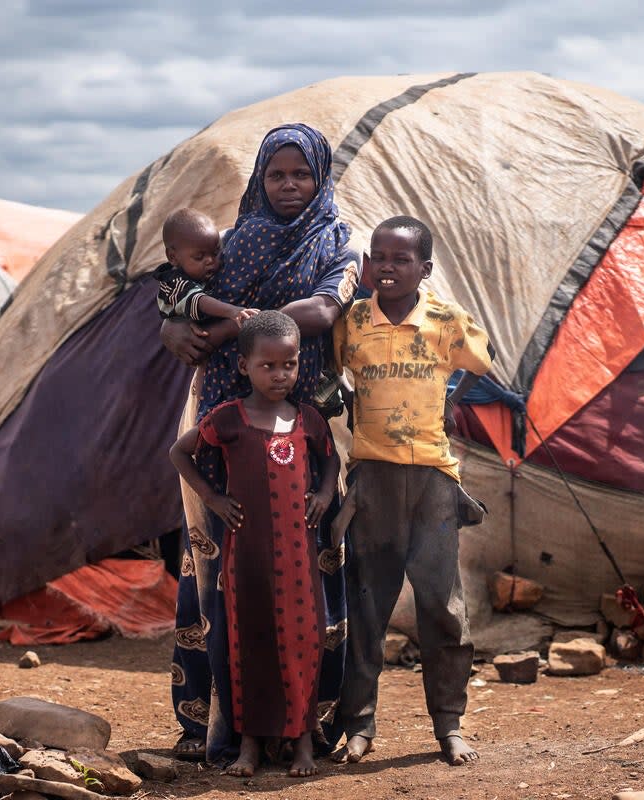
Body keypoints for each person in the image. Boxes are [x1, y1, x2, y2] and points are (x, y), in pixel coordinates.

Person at [163, 123, 360, 767]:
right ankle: (215, 729)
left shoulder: (338, 243)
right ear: (258, 178)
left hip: (299, 424)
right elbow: (181, 293)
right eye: (275, 174)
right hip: (225, 418)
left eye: (300, 173)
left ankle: (308, 724)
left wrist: (227, 330)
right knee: (221, 570)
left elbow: (325, 312)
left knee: (305, 569)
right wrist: (174, 324)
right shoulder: (235, 239)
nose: (287, 185)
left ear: (320, 176)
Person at [330, 215, 493, 767]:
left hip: (433, 483)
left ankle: (449, 725)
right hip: (373, 480)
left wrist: (449, 397)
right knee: (366, 608)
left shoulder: (445, 320)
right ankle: (358, 726)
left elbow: (480, 361)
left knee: (442, 609)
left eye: (401, 259)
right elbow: (331, 379)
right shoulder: (352, 322)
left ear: (424, 269)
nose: (386, 267)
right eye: (378, 257)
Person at [170, 311, 341, 778]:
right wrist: (212, 498)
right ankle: (248, 745)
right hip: (245, 557)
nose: (281, 374)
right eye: (268, 366)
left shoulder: (307, 419)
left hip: (300, 559)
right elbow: (180, 453)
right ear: (244, 366)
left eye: (289, 364)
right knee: (249, 644)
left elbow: (330, 461)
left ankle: (302, 743)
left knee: (303, 644)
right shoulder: (228, 419)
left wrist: (324, 495)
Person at [153, 208, 258, 324]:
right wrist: (233, 311)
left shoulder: (203, 265)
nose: (210, 260)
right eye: (199, 257)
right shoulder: (174, 284)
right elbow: (200, 301)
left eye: (215, 252)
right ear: (173, 257)